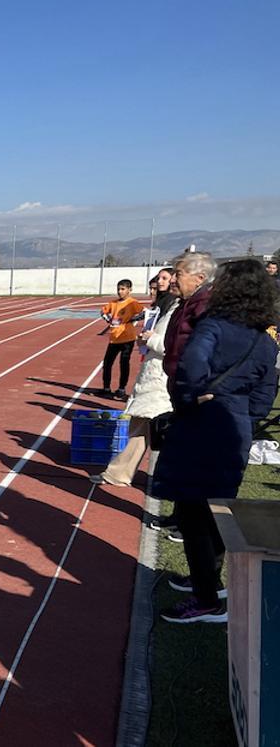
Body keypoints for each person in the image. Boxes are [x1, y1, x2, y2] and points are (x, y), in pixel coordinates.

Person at [155, 260, 279, 624]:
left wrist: (190, 400)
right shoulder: (264, 336)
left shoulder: (214, 326)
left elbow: (190, 368)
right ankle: (209, 581)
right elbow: (265, 393)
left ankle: (206, 599)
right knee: (219, 509)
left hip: (204, 425)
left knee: (193, 513)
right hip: (236, 427)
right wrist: (244, 418)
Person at [91, 269, 179, 488]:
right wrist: (146, 341)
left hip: (162, 377)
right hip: (152, 372)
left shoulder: (177, 309)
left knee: (161, 429)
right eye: (158, 278)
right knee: (140, 425)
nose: (159, 282)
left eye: (165, 279)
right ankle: (119, 473)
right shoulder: (163, 307)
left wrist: (152, 340)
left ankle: (166, 478)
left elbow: (174, 346)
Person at [164, 251, 217, 396]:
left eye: (178, 274)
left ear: (200, 278)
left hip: (195, 387)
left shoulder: (204, 307)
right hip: (179, 382)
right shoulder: (185, 303)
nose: (172, 280)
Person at [99, 279, 145, 399]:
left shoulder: (132, 303)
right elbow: (103, 311)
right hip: (114, 339)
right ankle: (106, 388)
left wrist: (133, 319)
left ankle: (121, 388)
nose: (120, 291)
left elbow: (144, 312)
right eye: (118, 289)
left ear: (130, 290)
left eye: (123, 289)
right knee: (107, 363)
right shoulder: (113, 303)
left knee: (124, 363)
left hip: (127, 339)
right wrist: (108, 318)